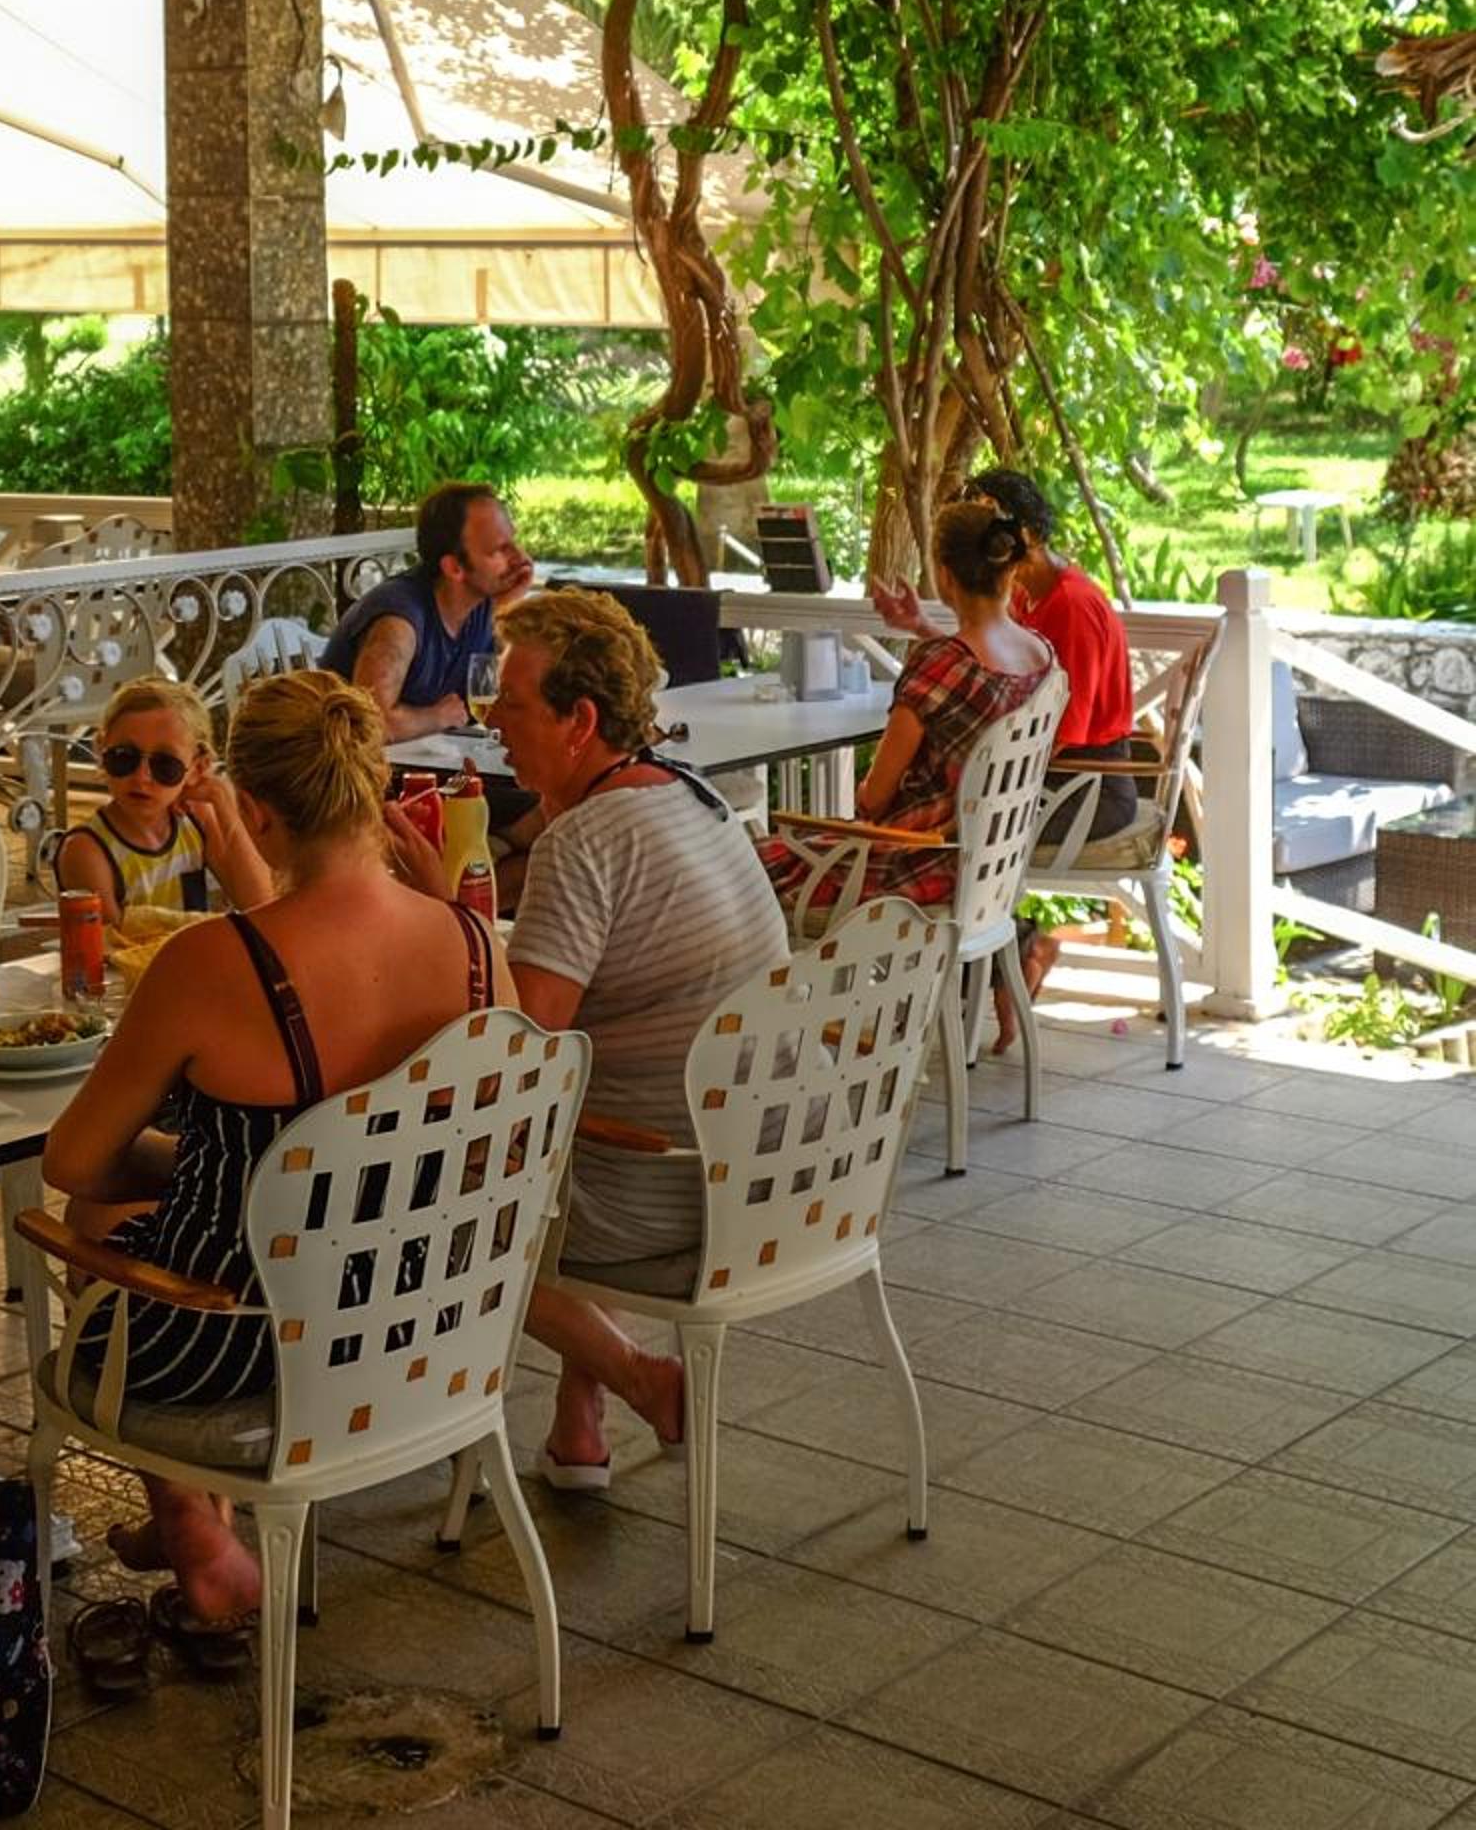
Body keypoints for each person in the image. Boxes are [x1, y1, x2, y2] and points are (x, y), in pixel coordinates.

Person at [41, 671, 508, 1638]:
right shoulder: (473, 948)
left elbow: (76, 1161)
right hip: (420, 1315)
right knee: (168, 1221)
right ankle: (195, 1529)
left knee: (104, 1256)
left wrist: (202, 1171)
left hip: (239, 1338)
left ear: (249, 809)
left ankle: (194, 1527)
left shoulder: (212, 962)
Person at [387, 589, 789, 1484]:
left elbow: (518, 1056)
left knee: (418, 1200)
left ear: (580, 722)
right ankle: (580, 1419)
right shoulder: (689, 794)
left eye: (513, 703)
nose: (492, 721)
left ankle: (640, 1377)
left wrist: (438, 915)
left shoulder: (586, 842)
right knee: (574, 1116)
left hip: (664, 1187)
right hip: (766, 1160)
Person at [873, 468, 1133, 1025]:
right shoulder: (1032, 605)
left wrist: (982, 786)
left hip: (1087, 788)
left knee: (944, 839)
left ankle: (1001, 958)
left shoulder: (1070, 606)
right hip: (1041, 783)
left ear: (1023, 535)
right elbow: (989, 672)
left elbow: (1058, 735)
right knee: (951, 831)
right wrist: (922, 627)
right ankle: (1009, 956)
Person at [758, 498, 1058, 916]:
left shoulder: (938, 666)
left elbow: (874, 800)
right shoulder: (1043, 657)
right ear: (1008, 568)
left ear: (944, 575)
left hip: (908, 865)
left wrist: (859, 800)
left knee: (741, 872)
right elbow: (977, 681)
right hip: (987, 867)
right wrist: (921, 627)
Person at [320, 482, 535, 742]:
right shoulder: (399, 621)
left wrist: (510, 606)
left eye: (513, 540)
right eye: (499, 549)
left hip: (428, 760)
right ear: (454, 568)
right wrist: (438, 717)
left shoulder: (481, 605)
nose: (519, 556)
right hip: (344, 762)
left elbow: (511, 695)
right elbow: (370, 724)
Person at [54, 679, 274, 921]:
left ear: (197, 768)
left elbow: (261, 906)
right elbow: (112, 941)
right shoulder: (87, 850)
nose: (141, 777)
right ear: (100, 751)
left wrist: (222, 799)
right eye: (123, 757)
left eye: (165, 765)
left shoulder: (196, 819)